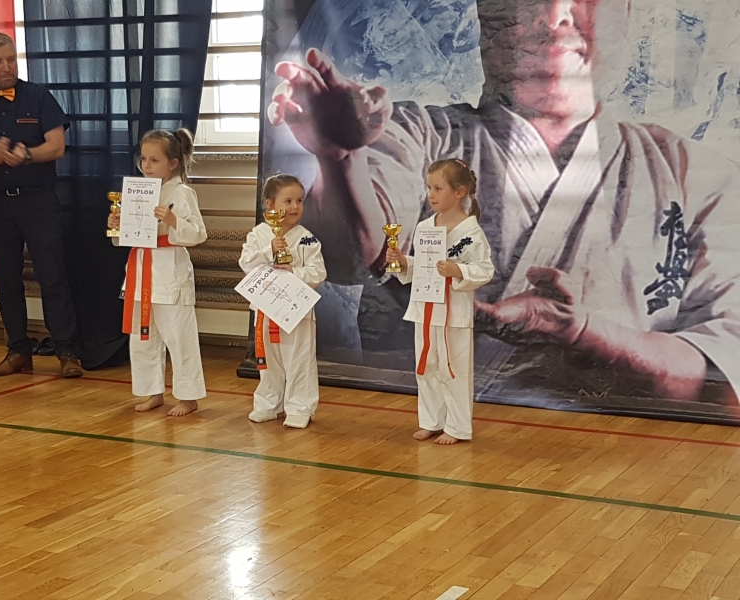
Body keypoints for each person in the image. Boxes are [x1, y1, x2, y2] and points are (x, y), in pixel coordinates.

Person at [266, 0, 740, 407]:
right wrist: (341, 159)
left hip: (617, 449)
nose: (553, 16)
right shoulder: (417, 134)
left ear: (628, 15)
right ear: (485, 20)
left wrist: (579, 333)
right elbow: (350, 258)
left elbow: (722, 378)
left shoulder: (690, 172)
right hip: (419, 418)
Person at [0, 31, 83, 378]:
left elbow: (56, 146)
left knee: (52, 276)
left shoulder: (39, 96)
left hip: (37, 199)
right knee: (7, 281)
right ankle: (18, 351)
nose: (7, 66)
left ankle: (67, 351)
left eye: (11, 59)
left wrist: (26, 155)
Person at [387, 160, 494, 444]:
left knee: (453, 369)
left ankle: (457, 427)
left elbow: (485, 270)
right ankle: (431, 421)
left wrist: (457, 270)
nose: (431, 195)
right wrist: (403, 262)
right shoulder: (425, 227)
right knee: (427, 366)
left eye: (438, 188)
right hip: (425, 306)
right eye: (429, 188)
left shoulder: (471, 232)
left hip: (453, 311)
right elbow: (424, 267)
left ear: (459, 192)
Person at [107, 129, 207, 417]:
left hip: (169, 270)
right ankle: (153, 391)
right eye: (143, 159)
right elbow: (126, 237)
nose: (147, 166)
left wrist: (174, 220)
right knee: (143, 336)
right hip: (140, 268)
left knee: (178, 336)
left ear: (173, 163)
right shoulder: (138, 191)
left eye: (154, 160)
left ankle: (188, 396)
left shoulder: (182, 193)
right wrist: (117, 225)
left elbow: (199, 233)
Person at [239, 174, 327, 429]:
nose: (295, 207)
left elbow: (318, 272)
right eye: (287, 201)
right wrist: (270, 250)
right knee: (268, 359)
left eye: (299, 200)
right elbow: (246, 264)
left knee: (299, 359)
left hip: (297, 309)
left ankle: (300, 407)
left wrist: (293, 272)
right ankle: (269, 403)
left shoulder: (307, 238)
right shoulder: (258, 235)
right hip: (265, 307)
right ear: (270, 204)